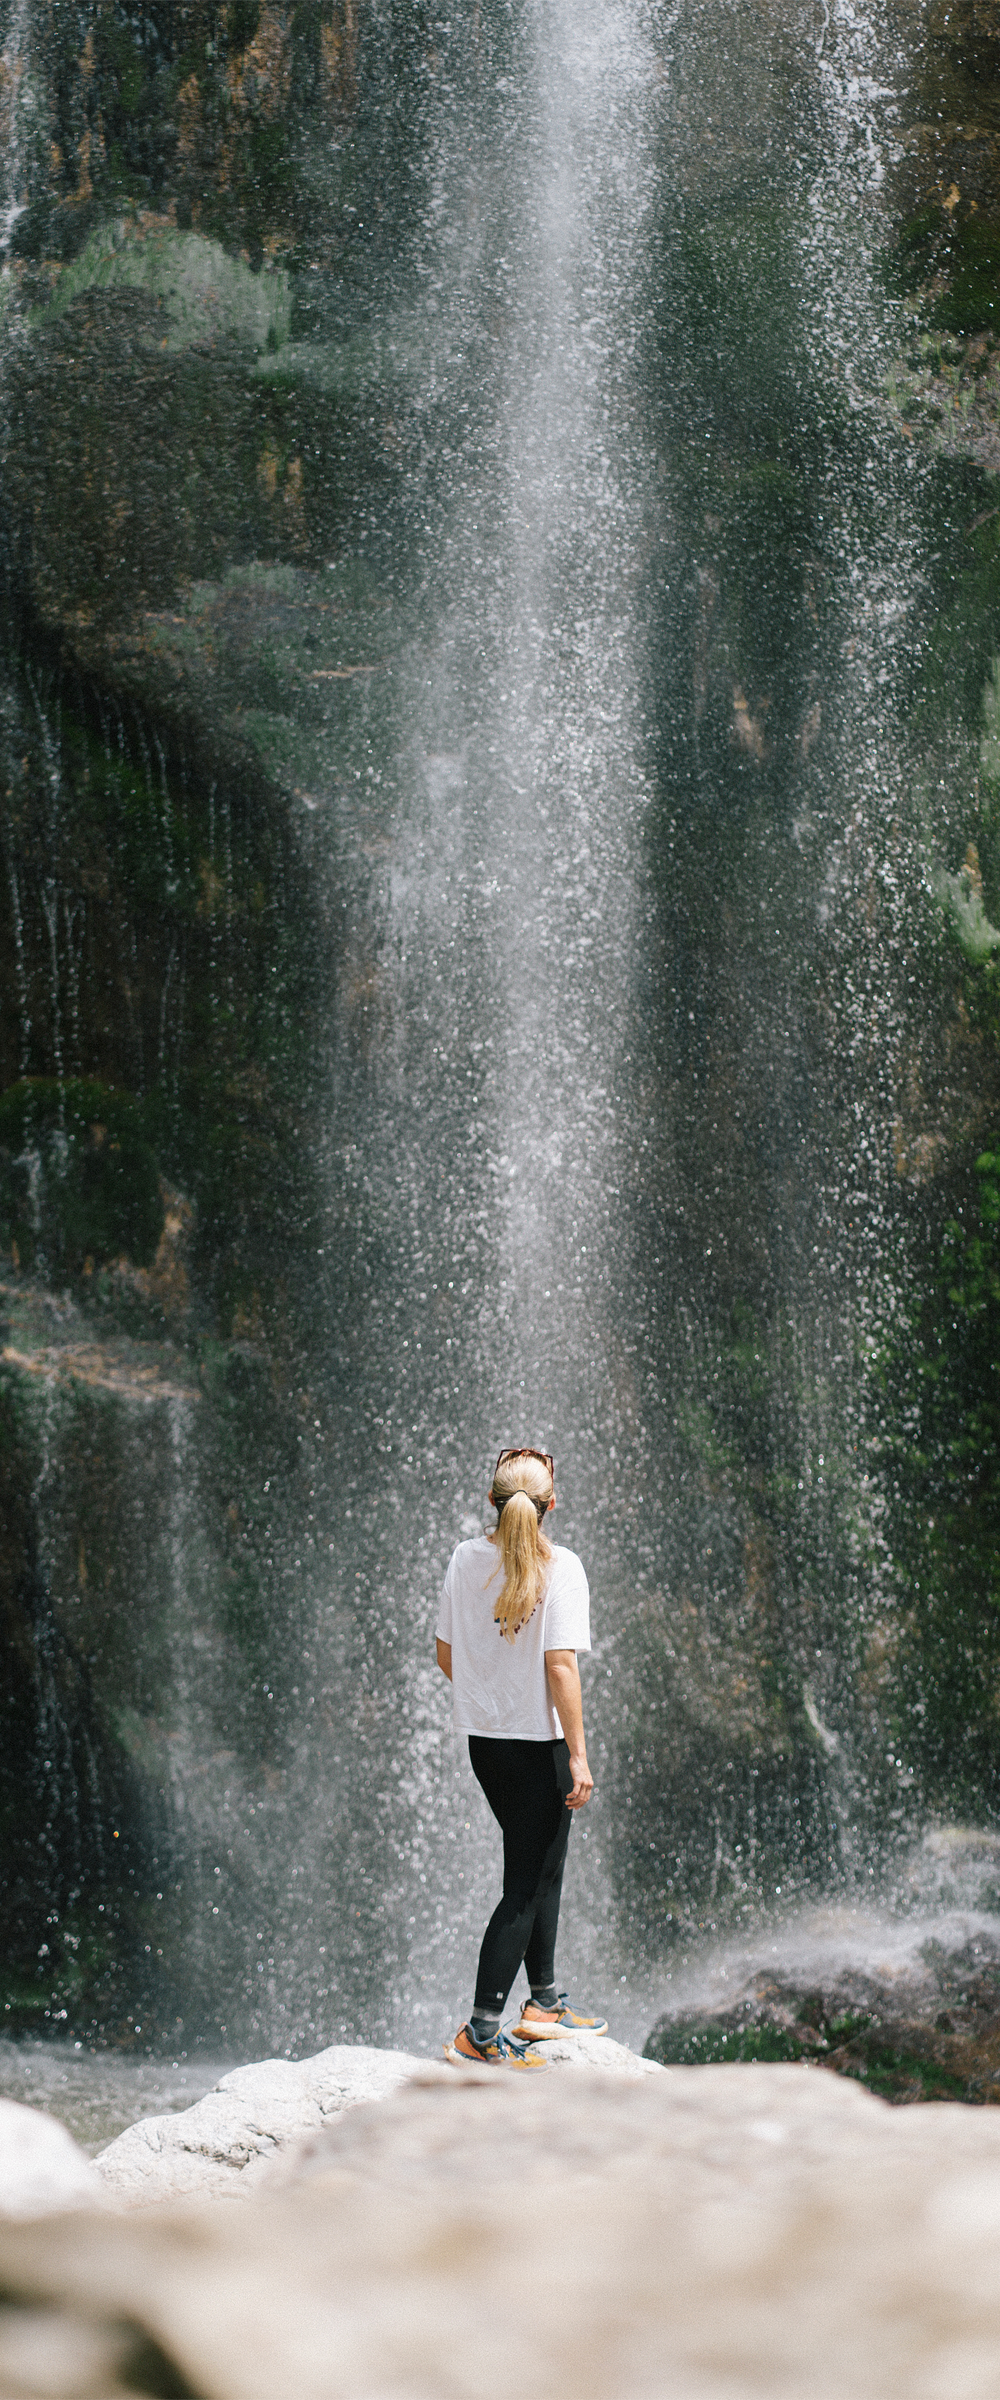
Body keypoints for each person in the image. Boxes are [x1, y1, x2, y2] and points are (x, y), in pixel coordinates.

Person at [436, 1444, 608, 2068]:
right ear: (551, 1505)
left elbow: (445, 1654)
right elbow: (560, 1666)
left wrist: (492, 1700)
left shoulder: (464, 1559)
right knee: (525, 1886)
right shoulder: (561, 1566)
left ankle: (543, 2006)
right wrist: (581, 1757)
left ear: (492, 1500)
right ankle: (479, 2033)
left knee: (542, 1872)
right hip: (541, 1749)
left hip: (488, 1746)